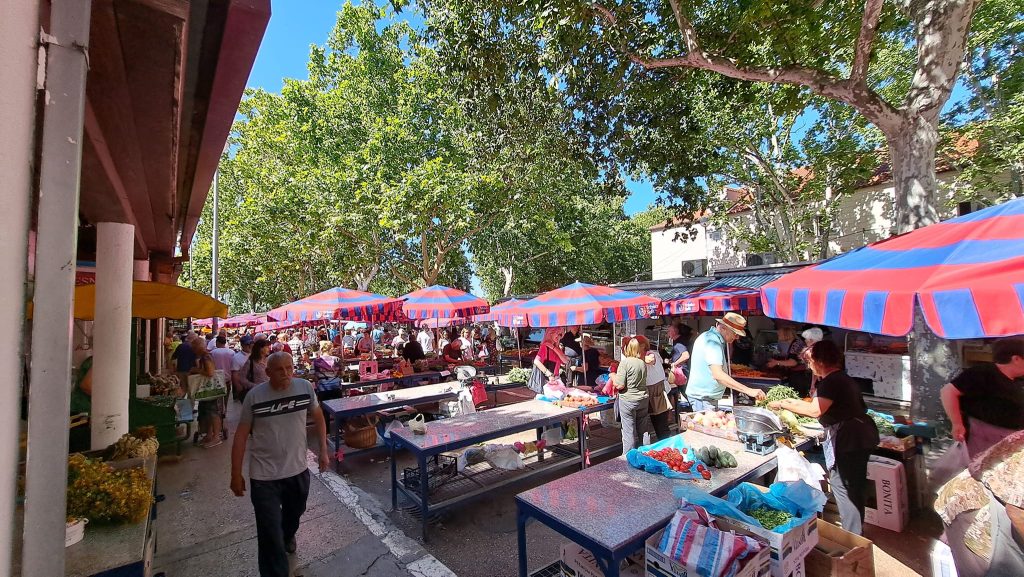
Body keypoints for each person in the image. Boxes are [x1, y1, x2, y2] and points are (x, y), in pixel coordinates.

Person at [231, 352, 329, 577]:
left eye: (289, 368)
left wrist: (323, 451)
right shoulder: (254, 397)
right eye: (279, 369)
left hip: (297, 470)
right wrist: (236, 473)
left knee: (294, 513)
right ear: (267, 373)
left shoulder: (304, 387)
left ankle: (288, 534)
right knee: (269, 534)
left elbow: (319, 417)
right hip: (264, 477)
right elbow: (240, 436)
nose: (286, 373)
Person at [769, 340, 878, 535]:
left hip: (849, 438)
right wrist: (790, 401)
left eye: (810, 361)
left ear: (820, 361)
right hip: (859, 435)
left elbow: (814, 410)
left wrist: (783, 405)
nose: (809, 366)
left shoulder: (832, 381)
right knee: (853, 486)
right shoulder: (840, 378)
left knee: (844, 487)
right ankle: (856, 530)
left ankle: (852, 538)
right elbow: (816, 405)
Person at [941, 337, 1024, 458]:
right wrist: (957, 423)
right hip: (983, 437)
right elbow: (948, 392)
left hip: (1008, 439)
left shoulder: (1017, 381)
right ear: (1016, 359)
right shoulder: (984, 373)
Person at [684, 313, 766, 410]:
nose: (737, 338)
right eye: (735, 333)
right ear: (723, 328)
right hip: (703, 399)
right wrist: (748, 390)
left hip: (703, 397)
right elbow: (718, 375)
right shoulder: (712, 342)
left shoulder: (708, 336)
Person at [613, 337, 653, 452]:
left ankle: (628, 458)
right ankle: (647, 452)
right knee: (643, 430)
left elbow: (620, 385)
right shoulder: (642, 363)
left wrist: (613, 376)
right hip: (643, 399)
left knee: (628, 431)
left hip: (628, 400)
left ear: (627, 349)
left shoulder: (625, 363)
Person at [637, 335, 672, 441]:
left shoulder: (651, 354)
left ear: (642, 346)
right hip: (650, 391)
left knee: (661, 425)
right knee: (654, 423)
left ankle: (667, 447)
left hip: (658, 392)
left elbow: (650, 360)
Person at [191, 338, 224, 448]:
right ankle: (210, 435)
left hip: (210, 390)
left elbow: (210, 372)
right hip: (208, 390)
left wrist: (196, 370)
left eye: (194, 347)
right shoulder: (204, 356)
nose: (193, 350)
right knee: (208, 412)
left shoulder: (206, 357)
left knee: (213, 412)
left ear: (199, 347)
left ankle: (216, 437)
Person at [767, 326, 810, 396]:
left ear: (785, 334)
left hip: (799, 376)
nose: (778, 336)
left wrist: (776, 362)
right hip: (798, 375)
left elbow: (793, 362)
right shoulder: (795, 343)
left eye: (779, 334)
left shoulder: (796, 344)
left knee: (798, 396)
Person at [232, 335, 254, 402]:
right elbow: (235, 374)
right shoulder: (237, 357)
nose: (250, 346)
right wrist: (238, 387)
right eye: (247, 344)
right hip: (245, 387)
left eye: (251, 343)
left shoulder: (256, 354)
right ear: (242, 345)